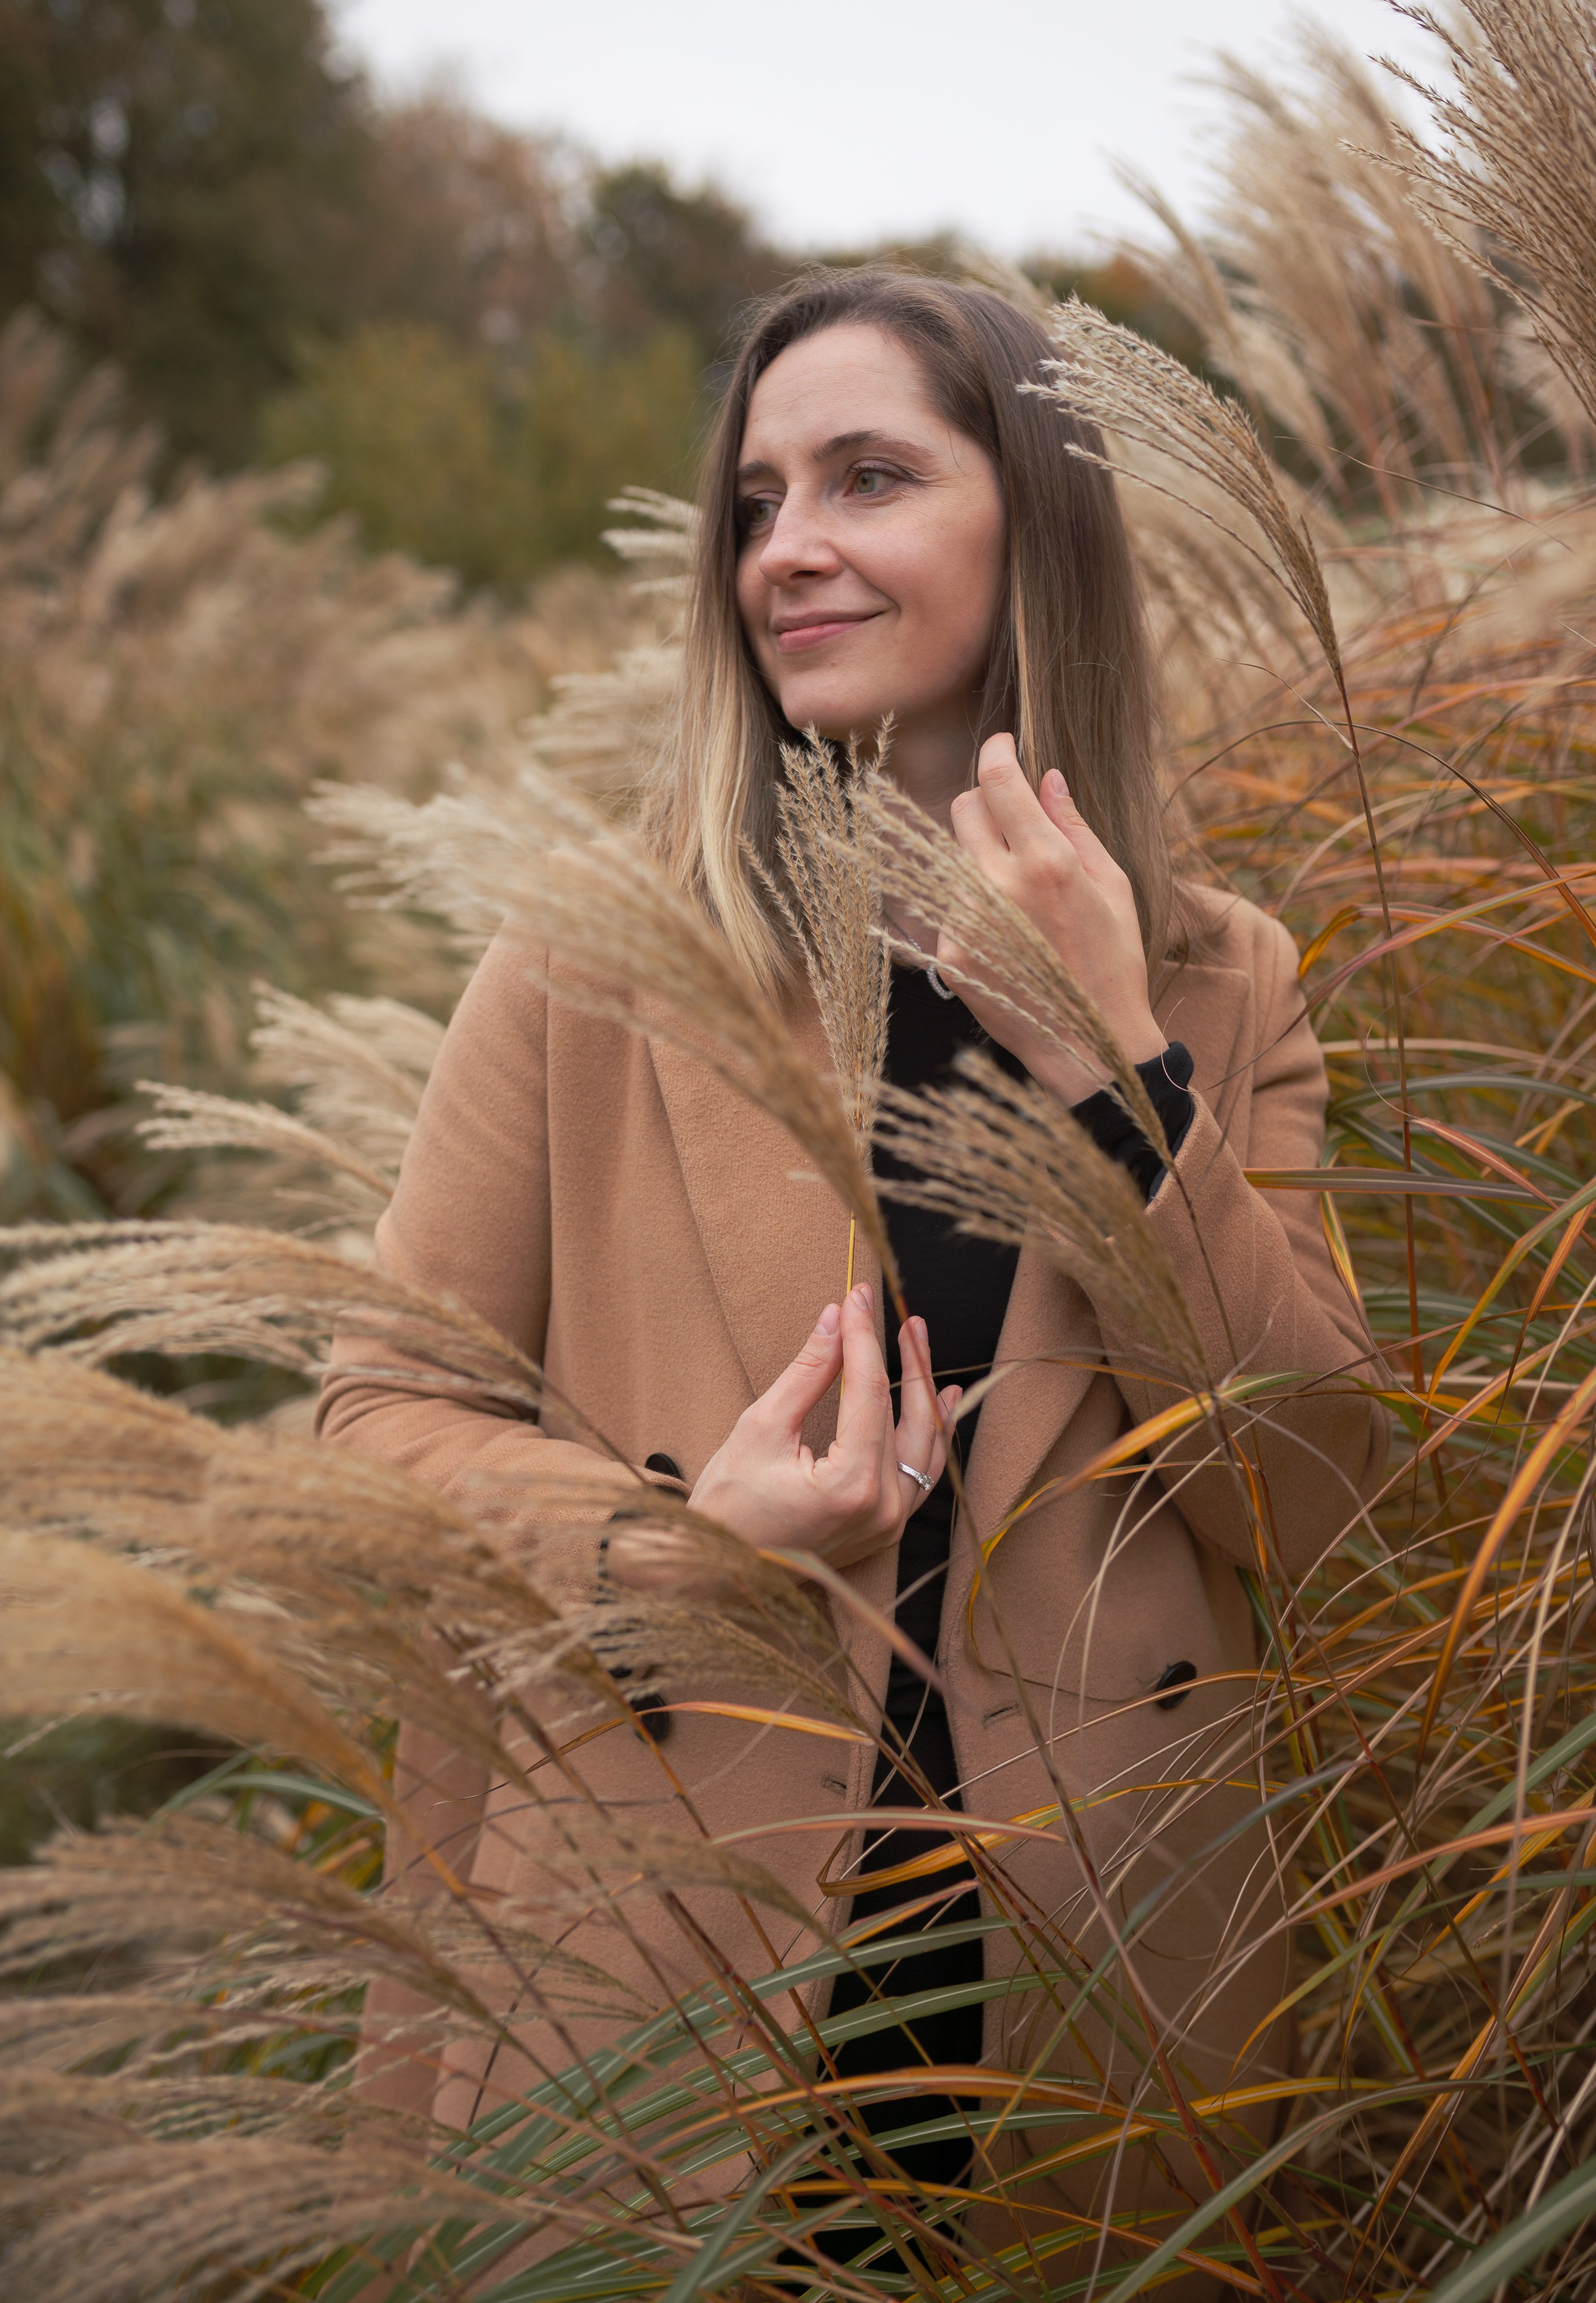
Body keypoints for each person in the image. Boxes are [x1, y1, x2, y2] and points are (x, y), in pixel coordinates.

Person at [319, 267, 1387, 2277]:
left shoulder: (1222, 980)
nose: (786, 548)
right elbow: (375, 1417)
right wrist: (665, 1543)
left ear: (1036, 527)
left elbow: (1306, 1495)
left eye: (869, 478)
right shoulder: (596, 956)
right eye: (756, 499)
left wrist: (1119, 1076)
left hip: (1105, 2001)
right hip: (674, 1954)